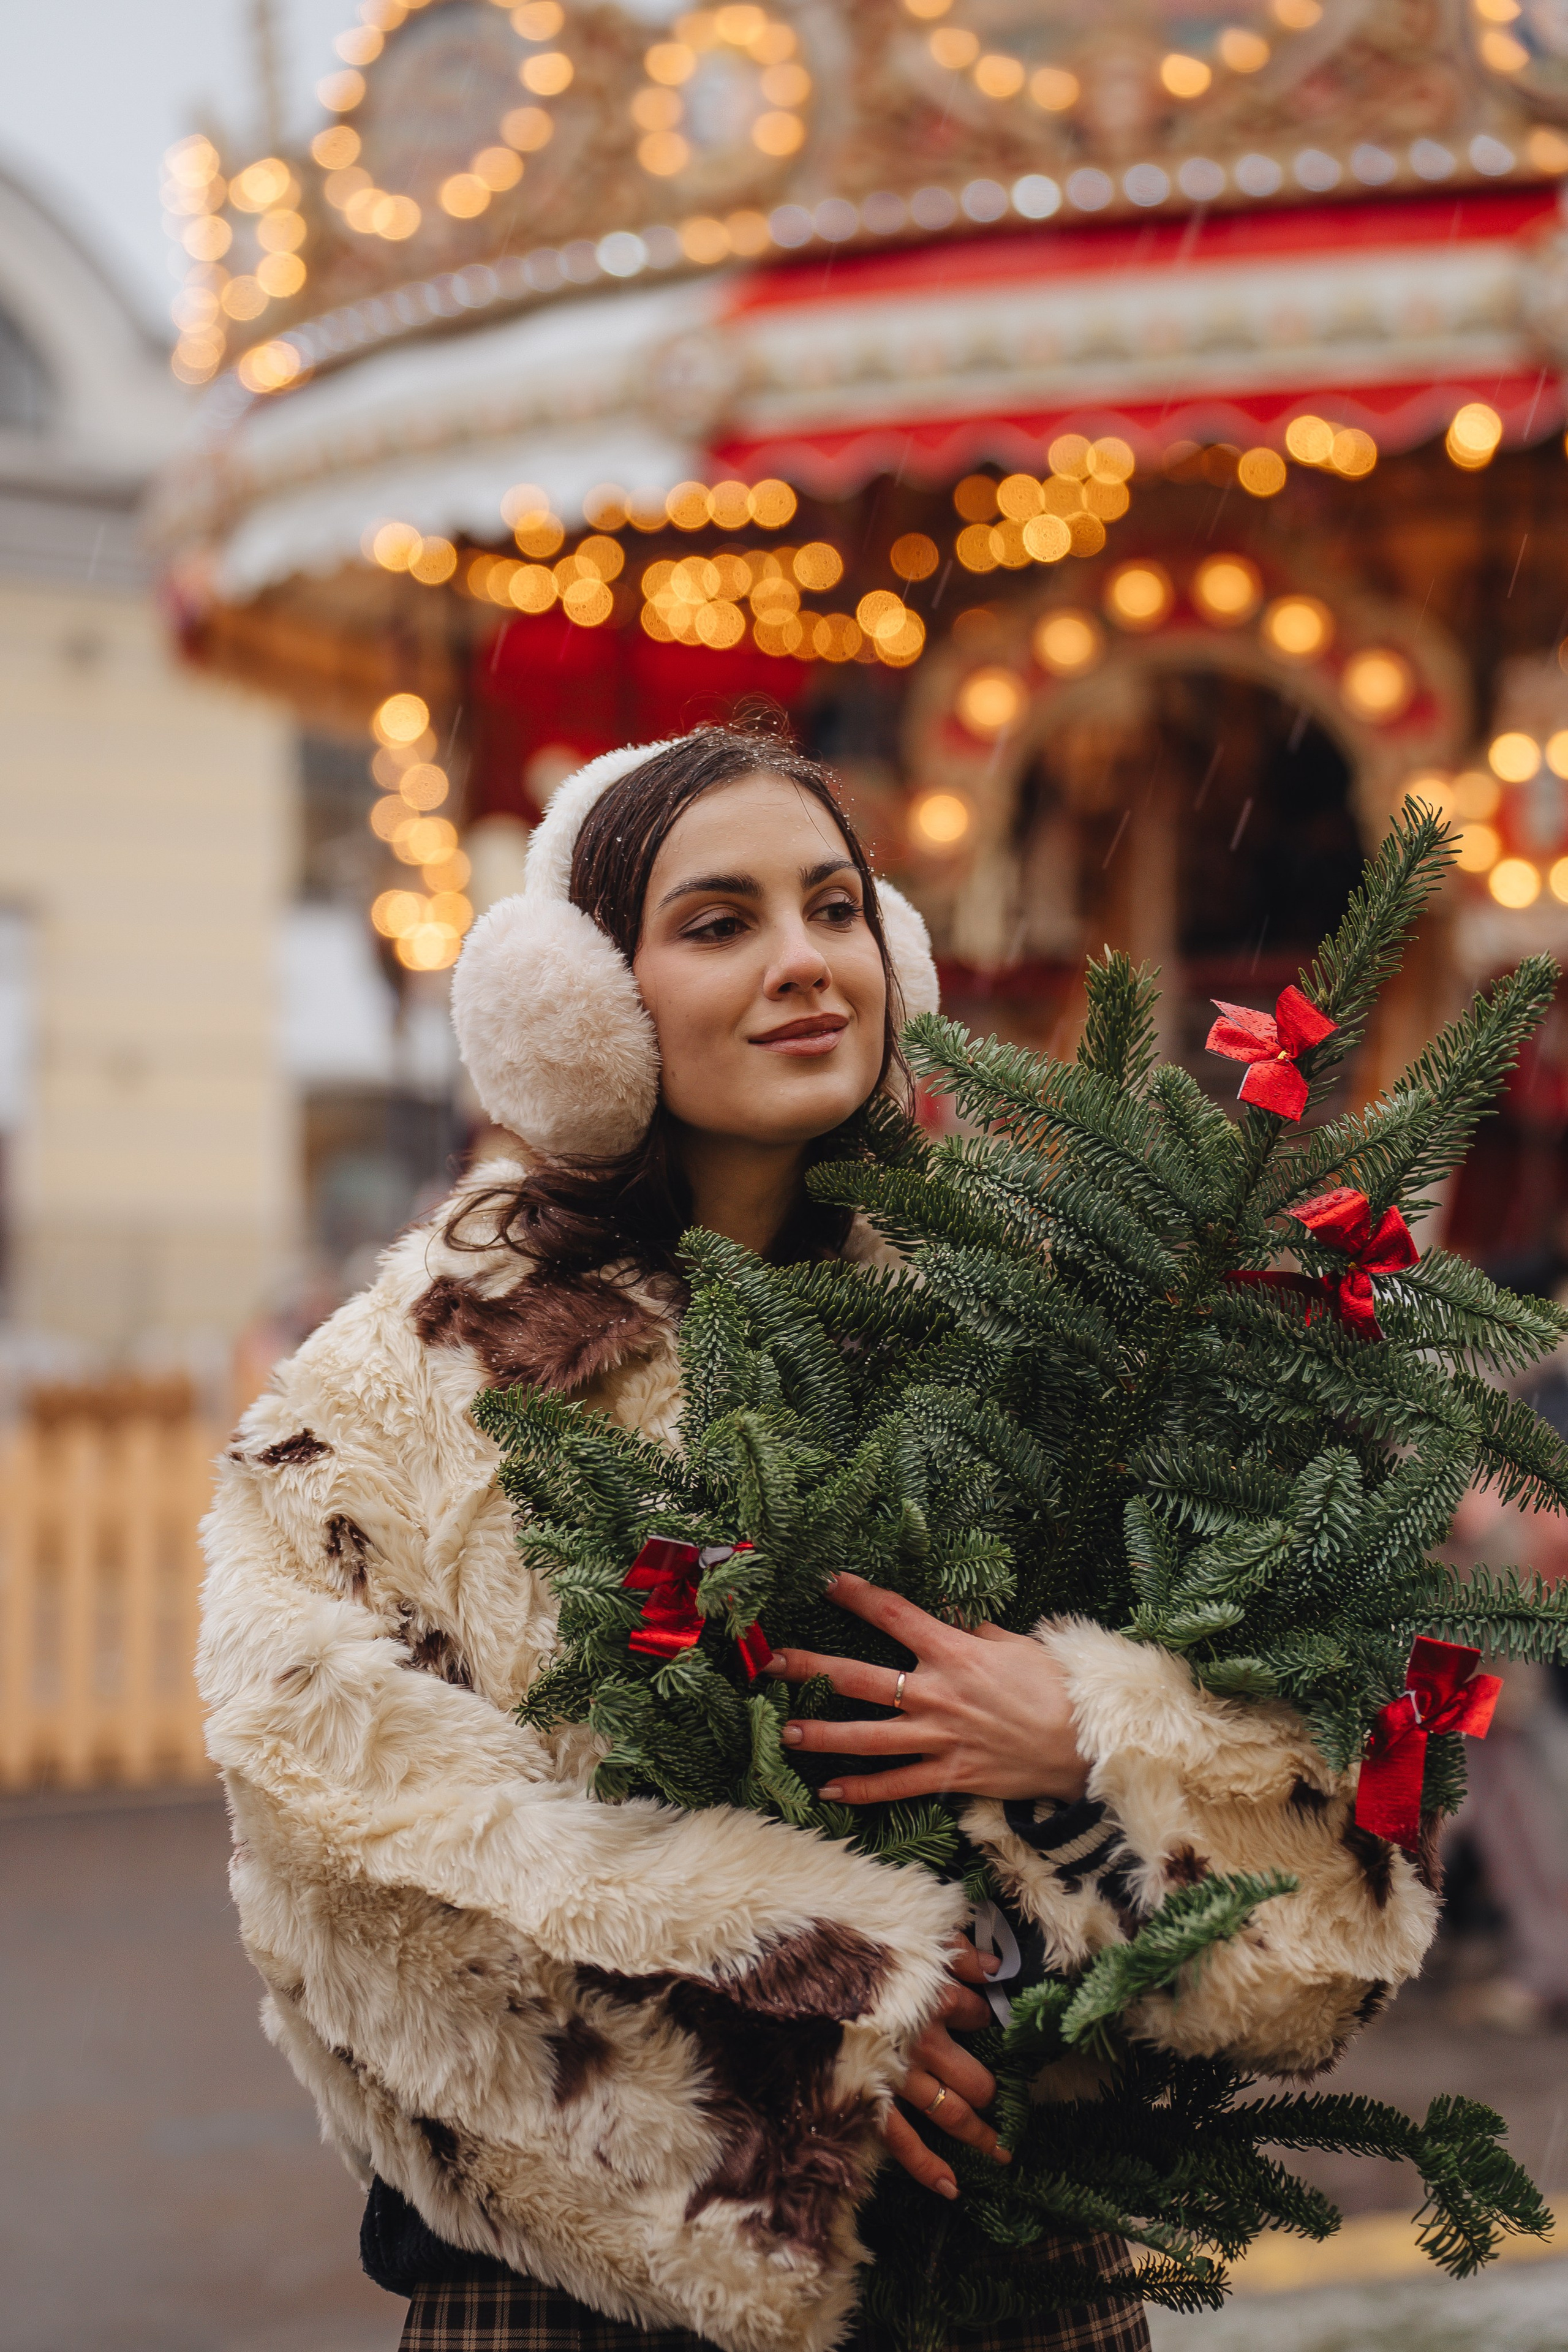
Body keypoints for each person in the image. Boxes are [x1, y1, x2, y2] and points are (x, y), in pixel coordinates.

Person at [197, 727, 1438, 2352]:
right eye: (721, 924)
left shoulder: (1037, 1326)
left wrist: (1096, 1731)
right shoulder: (407, 1382)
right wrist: (806, 2020)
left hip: (1014, 2275)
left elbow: (1327, 1765)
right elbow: (335, 1839)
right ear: (589, 1003)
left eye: (835, 909)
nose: (805, 965)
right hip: (585, 2292)